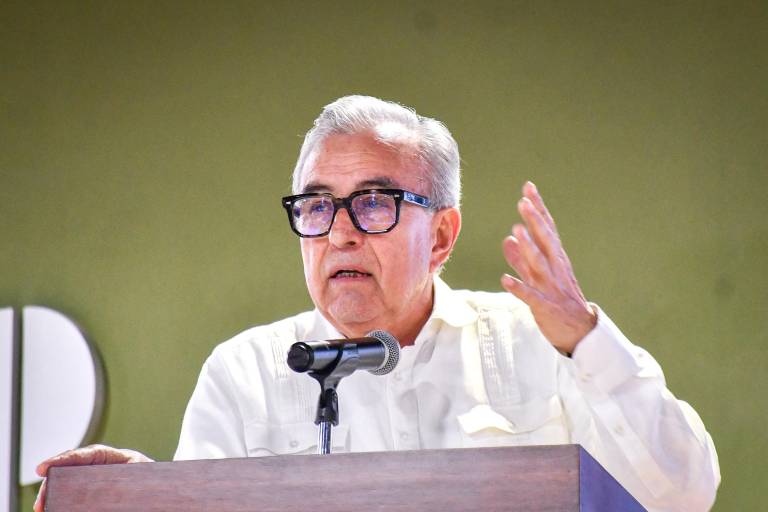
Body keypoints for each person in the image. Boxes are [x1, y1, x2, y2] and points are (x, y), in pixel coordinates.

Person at [35, 95, 720, 511]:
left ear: (442, 235)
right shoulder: (244, 372)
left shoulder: (539, 340)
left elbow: (684, 494)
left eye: (372, 202)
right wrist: (148, 497)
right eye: (316, 207)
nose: (339, 232)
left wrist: (586, 339)